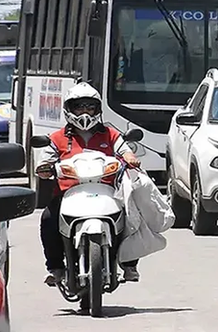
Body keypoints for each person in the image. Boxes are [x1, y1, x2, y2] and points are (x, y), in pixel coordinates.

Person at [35, 82, 142, 287]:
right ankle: (55, 268)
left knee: (132, 213)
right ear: (69, 110)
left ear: (97, 110)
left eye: (90, 107)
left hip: (107, 193)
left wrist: (130, 157)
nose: (85, 112)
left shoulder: (110, 134)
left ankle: (129, 264)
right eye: (79, 107)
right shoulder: (57, 138)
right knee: (48, 219)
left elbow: (124, 150)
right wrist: (44, 168)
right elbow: (44, 161)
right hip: (68, 194)